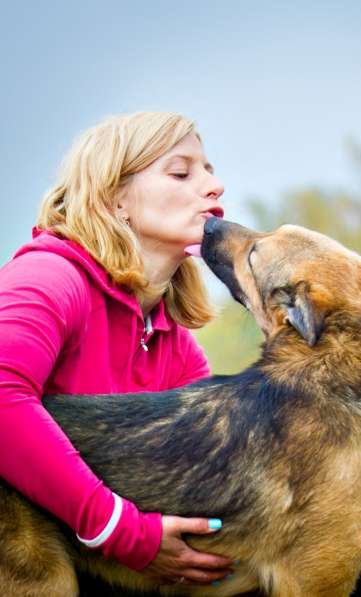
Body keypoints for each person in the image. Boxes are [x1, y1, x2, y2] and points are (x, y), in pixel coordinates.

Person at [0, 111, 236, 587]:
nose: (215, 186)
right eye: (181, 171)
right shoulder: (50, 277)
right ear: (114, 197)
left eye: (209, 170)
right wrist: (120, 530)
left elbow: (206, 471)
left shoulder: (179, 347)